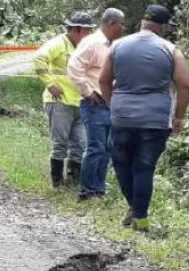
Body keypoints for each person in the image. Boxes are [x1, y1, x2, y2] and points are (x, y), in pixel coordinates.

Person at [99, 4, 189, 232]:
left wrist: (113, 105)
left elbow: (103, 80)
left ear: (142, 21)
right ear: (163, 26)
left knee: (121, 163)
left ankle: (135, 209)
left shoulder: (117, 46)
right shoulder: (171, 49)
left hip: (122, 115)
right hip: (156, 119)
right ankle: (140, 216)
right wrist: (179, 117)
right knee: (144, 167)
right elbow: (184, 84)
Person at [66, 8, 126, 201]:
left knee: (108, 148)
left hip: (110, 102)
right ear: (110, 23)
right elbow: (74, 66)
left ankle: (98, 189)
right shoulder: (91, 42)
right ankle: (87, 190)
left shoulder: (114, 45)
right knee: (96, 147)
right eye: (121, 24)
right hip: (94, 102)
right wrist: (87, 91)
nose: (123, 28)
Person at [33, 11, 95, 188]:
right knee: (60, 143)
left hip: (80, 101)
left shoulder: (85, 47)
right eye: (87, 30)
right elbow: (39, 59)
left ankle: (73, 180)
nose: (90, 34)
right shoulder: (58, 43)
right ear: (76, 30)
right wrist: (50, 83)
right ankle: (57, 182)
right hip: (59, 101)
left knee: (80, 144)